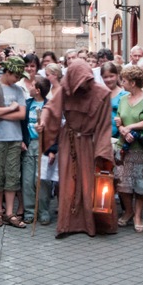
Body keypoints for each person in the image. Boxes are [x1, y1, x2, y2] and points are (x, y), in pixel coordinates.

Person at [40, 59, 118, 238]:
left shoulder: (102, 93)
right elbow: (50, 109)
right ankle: (68, 224)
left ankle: (94, 223)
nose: (83, 85)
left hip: (91, 143)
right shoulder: (65, 90)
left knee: (92, 183)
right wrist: (42, 121)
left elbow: (104, 125)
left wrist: (103, 151)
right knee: (68, 183)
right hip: (69, 141)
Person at [0, 56, 28, 229]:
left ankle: (10, 212)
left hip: (14, 137)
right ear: (8, 72)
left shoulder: (18, 90)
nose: (19, 79)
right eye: (16, 76)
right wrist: (10, 109)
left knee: (12, 175)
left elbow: (21, 115)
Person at [114, 65, 143, 232]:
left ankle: (138, 214)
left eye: (123, 80)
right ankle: (128, 211)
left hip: (140, 147)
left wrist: (131, 127)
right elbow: (119, 117)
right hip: (123, 146)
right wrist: (123, 128)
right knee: (122, 182)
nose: (121, 83)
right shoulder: (124, 98)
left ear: (132, 82)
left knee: (141, 183)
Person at [21, 76, 49, 224]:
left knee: (41, 179)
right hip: (29, 144)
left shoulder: (48, 106)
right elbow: (21, 124)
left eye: (32, 85)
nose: (29, 87)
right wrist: (21, 140)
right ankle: (29, 210)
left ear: (37, 90)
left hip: (42, 145)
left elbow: (55, 128)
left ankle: (43, 210)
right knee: (28, 179)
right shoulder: (26, 104)